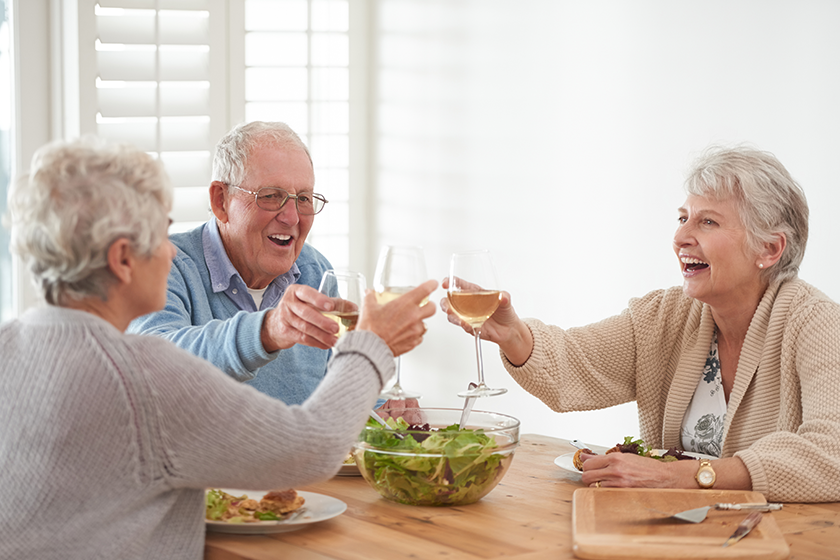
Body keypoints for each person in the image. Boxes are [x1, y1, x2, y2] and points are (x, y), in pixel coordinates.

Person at [0, 137, 437, 559]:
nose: (172, 252)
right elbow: (314, 447)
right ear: (122, 259)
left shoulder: (8, 346)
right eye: (161, 233)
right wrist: (373, 343)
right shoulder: (144, 376)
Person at [442, 145, 840, 503]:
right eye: (683, 217)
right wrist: (513, 335)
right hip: (672, 531)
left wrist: (683, 476)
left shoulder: (817, 324)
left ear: (769, 249)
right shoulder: (664, 316)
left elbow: (832, 454)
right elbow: (574, 364)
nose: (681, 236)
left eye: (708, 223)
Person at [128, 121, 339, 404]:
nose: (292, 217)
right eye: (271, 196)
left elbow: (335, 389)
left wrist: (383, 410)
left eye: (303, 198)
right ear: (221, 201)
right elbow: (155, 365)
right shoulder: (165, 265)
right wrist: (268, 331)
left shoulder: (316, 272)